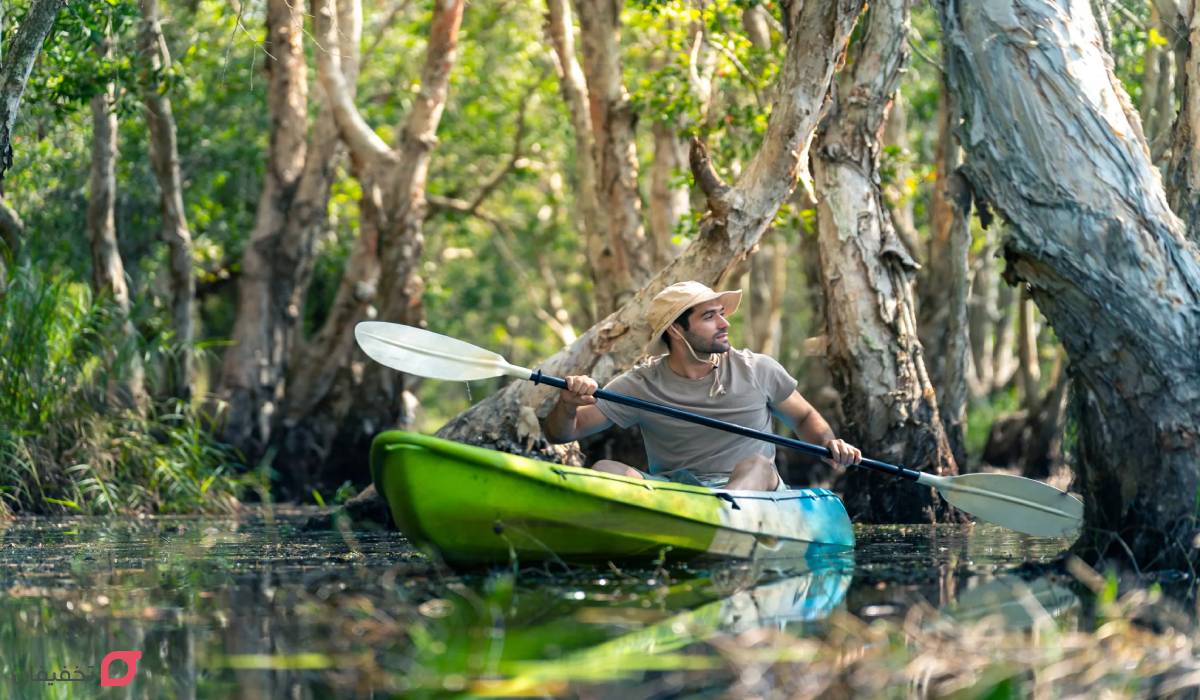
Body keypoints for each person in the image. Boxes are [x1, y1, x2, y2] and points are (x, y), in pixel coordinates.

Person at [542, 280, 862, 491]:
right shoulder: (640, 383)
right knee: (605, 467)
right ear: (677, 331)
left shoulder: (758, 369)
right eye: (710, 317)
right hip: (678, 494)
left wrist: (829, 444)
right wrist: (569, 404)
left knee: (757, 466)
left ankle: (725, 516)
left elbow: (804, 417)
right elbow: (562, 433)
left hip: (755, 493)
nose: (724, 323)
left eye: (722, 314)